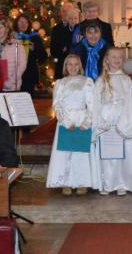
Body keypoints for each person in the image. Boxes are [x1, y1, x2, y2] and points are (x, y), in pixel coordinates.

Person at [91, 48, 132, 195]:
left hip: (121, 125)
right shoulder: (100, 81)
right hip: (105, 125)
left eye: (120, 57)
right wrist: (101, 121)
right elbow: (96, 104)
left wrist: (124, 123)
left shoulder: (126, 80)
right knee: (107, 156)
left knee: (122, 155)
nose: (117, 60)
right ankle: (107, 183)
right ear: (107, 59)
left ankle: (121, 183)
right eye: (114, 57)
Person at [46, 54, 96, 196]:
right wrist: (65, 122)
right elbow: (57, 104)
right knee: (65, 153)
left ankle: (82, 182)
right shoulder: (60, 83)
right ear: (65, 66)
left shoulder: (87, 82)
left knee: (80, 153)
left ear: (80, 66)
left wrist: (86, 122)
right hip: (65, 121)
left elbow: (91, 104)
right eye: (70, 64)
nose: (73, 67)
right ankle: (65, 182)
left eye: (76, 64)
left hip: (81, 119)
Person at [0, 15, 28, 92]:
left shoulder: (16, 44)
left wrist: (11, 81)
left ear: (7, 29)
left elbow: (22, 65)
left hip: (12, 86)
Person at [14, 14, 48, 96]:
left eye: (26, 22)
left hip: (29, 75)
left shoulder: (34, 37)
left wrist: (34, 49)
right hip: (13, 75)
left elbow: (43, 57)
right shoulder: (11, 36)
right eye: (21, 22)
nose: (23, 24)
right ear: (16, 23)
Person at [50, 4, 80, 80]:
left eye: (68, 11)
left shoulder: (80, 28)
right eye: (64, 11)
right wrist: (63, 49)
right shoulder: (56, 29)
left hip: (77, 65)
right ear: (60, 13)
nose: (66, 13)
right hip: (61, 65)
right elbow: (52, 49)